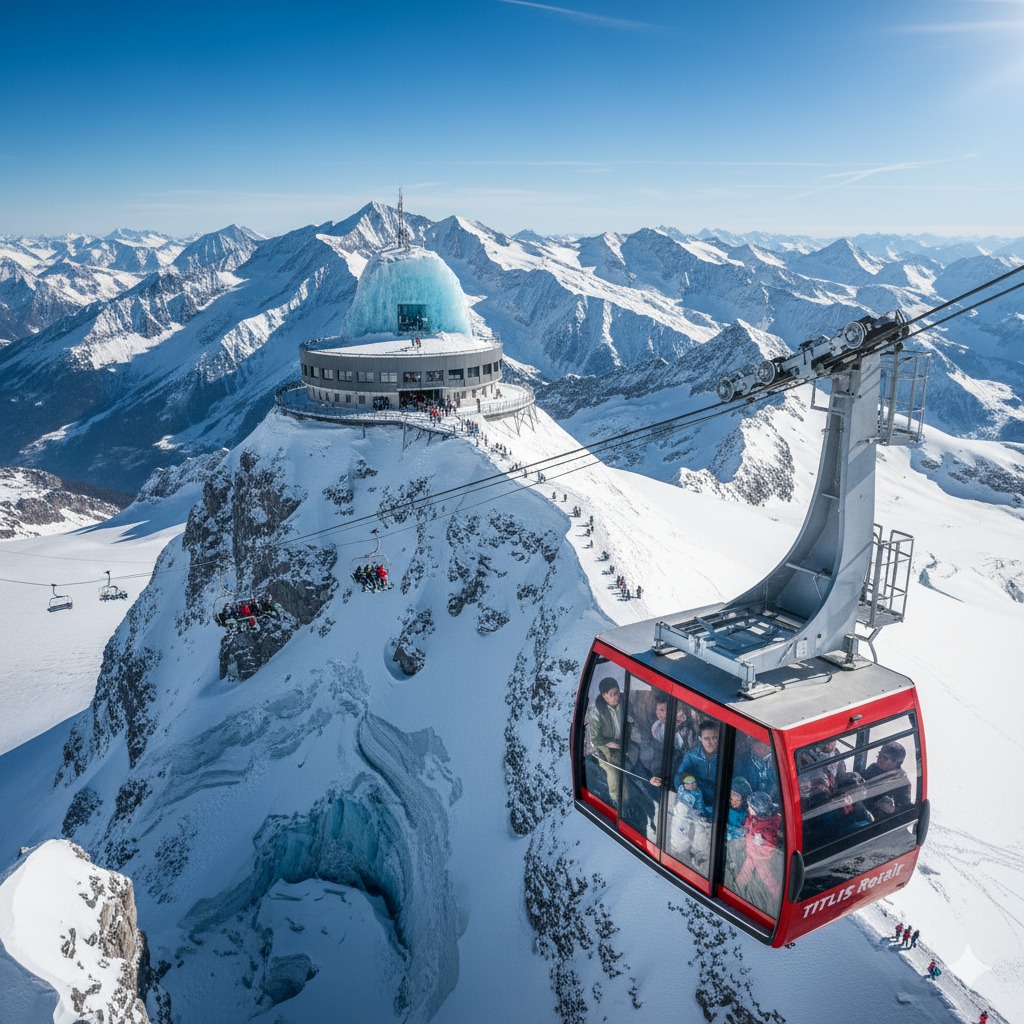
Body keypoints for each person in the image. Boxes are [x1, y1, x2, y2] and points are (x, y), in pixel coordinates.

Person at [734, 791, 783, 915]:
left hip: (761, 859)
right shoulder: (757, 817)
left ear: (758, 810)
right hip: (752, 854)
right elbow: (749, 822)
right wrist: (745, 828)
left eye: (750, 807)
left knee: (766, 876)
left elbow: (769, 848)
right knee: (746, 870)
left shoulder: (765, 831)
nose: (748, 808)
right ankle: (737, 888)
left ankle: (778, 895)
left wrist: (756, 847)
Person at [588, 678, 625, 808]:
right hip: (604, 746)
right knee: (612, 770)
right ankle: (615, 799)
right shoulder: (597, 711)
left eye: (617, 693)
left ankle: (628, 795)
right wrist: (609, 743)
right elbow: (595, 738)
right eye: (611, 694)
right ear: (604, 696)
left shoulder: (624, 703)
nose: (615, 697)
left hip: (621, 742)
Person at [675, 720, 720, 808]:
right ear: (700, 738)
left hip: (718, 802)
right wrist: (686, 781)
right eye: (706, 738)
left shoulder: (725, 755)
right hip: (697, 801)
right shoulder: (691, 755)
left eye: (714, 738)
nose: (710, 742)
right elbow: (679, 777)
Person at [863, 741, 913, 816]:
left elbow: (904, 811)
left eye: (884, 758)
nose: (879, 759)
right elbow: (860, 783)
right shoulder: (873, 768)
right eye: (879, 755)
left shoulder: (902, 783)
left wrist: (891, 808)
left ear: (896, 762)